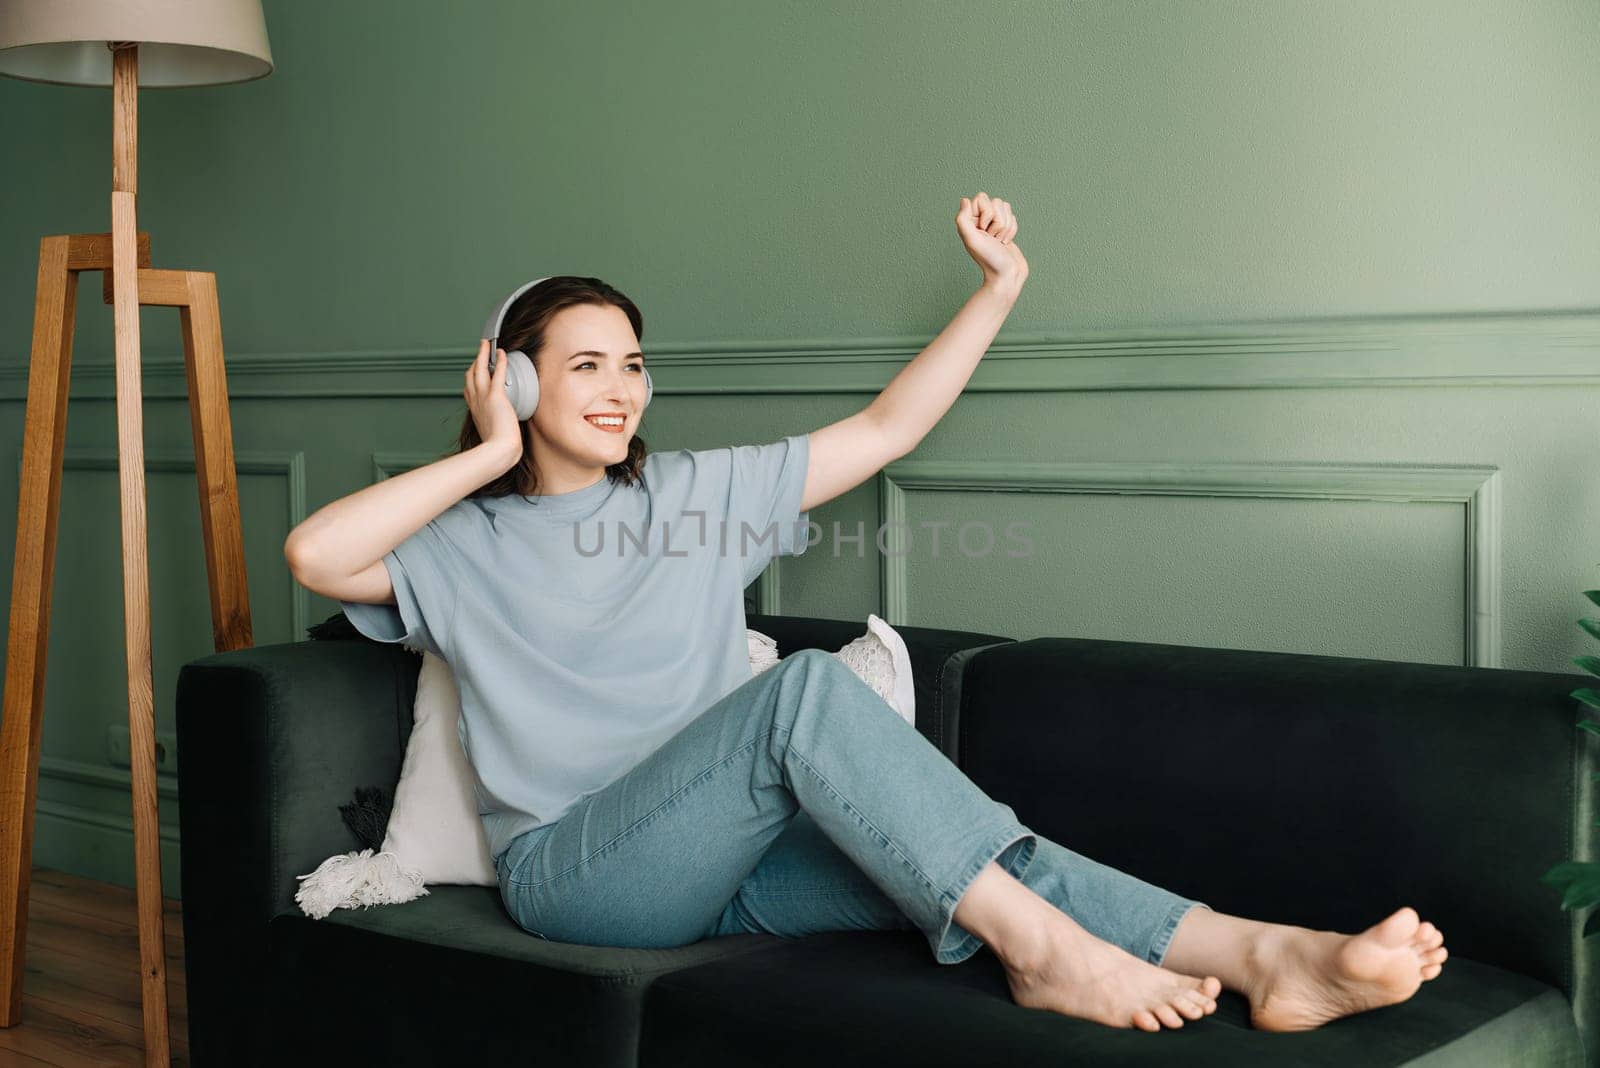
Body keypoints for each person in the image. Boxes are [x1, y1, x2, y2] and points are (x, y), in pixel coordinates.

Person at [283, 192, 1447, 1034]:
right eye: (584, 365)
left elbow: (887, 430)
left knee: (971, 853)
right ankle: (1048, 962)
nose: (622, 388)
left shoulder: (695, 495)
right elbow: (315, 554)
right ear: (519, 377)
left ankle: (1271, 956)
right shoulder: (461, 546)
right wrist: (488, 445)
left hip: (719, 866)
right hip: (575, 875)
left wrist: (1000, 292)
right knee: (801, 691)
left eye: (633, 363)